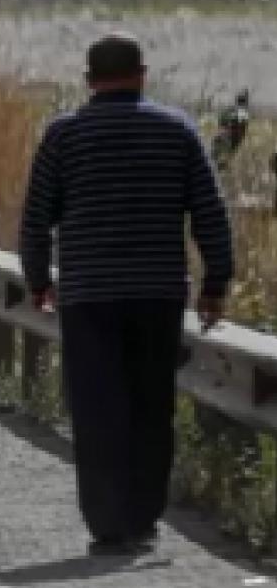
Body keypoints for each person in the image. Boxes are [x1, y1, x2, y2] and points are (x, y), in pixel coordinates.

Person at [19, 34, 232, 557]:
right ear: (142, 73)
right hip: (157, 292)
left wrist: (37, 279)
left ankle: (108, 525)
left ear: (89, 80)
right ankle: (142, 517)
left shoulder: (64, 136)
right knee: (150, 406)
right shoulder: (177, 131)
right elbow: (210, 214)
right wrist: (215, 283)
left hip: (89, 293)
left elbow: (36, 218)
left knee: (97, 409)